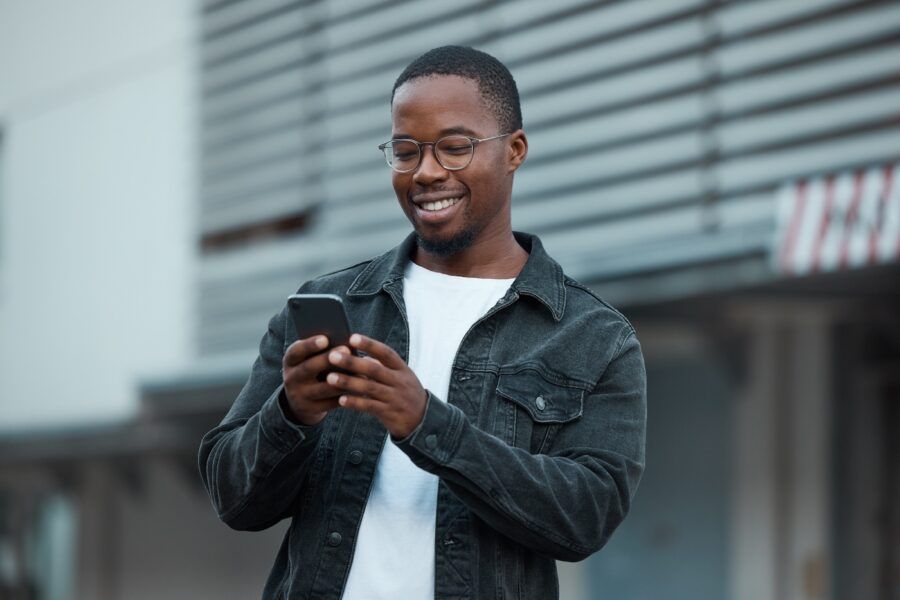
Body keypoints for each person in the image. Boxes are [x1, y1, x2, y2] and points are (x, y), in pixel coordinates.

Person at [198, 45, 647, 600]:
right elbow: (233, 500)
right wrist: (291, 414)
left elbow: (586, 517)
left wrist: (425, 424)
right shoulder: (330, 304)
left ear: (514, 151)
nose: (427, 172)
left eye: (455, 148)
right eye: (406, 151)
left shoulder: (593, 336)